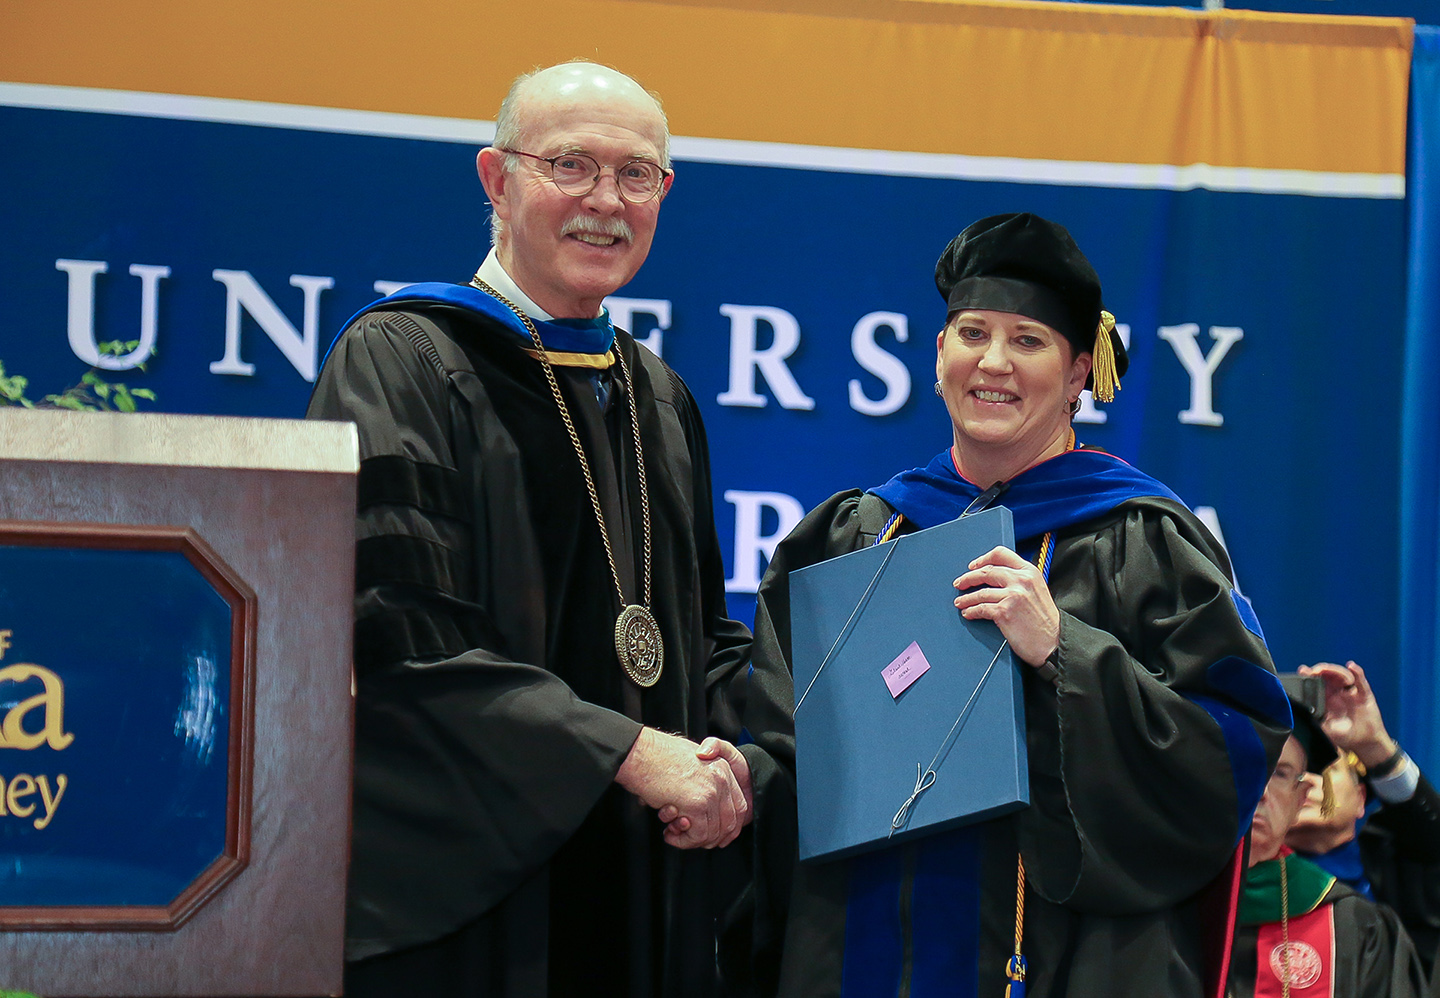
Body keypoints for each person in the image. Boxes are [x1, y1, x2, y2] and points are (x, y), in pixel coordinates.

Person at [307, 61, 787, 997]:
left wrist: (754, 759)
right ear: (497, 178)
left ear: (665, 195)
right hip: (469, 917)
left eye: (636, 175)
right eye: (570, 165)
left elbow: (690, 645)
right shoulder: (402, 360)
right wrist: (632, 754)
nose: (605, 201)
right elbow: (396, 635)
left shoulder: (659, 396)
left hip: (639, 888)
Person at [751, 212, 1292, 997]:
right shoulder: (857, 534)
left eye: (1028, 341)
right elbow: (780, 734)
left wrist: (1064, 649)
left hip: (1060, 962)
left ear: (1078, 375)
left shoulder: (1142, 542)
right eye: (972, 333)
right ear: (939, 355)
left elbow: (1234, 746)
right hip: (858, 952)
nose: (993, 362)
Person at [1231, 696, 1427, 997]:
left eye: (1281, 774)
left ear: (1298, 796)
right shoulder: (1170, 893)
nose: (1262, 791)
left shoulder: (1365, 914)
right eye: (1250, 770)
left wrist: (1378, 749)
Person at [1286, 662, 1440, 976]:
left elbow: (1432, 838)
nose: (1309, 781)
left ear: (1360, 799)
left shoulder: (1396, 872)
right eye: (1288, 772)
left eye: (1325, 770)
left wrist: (1373, 746)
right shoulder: (1241, 876)